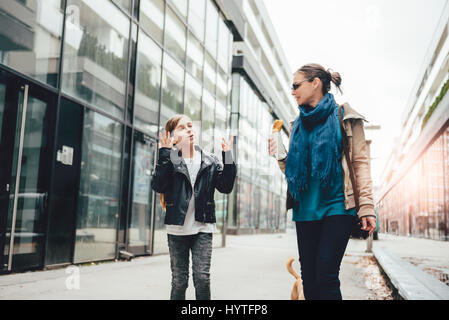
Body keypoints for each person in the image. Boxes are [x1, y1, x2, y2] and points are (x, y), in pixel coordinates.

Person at [268, 63, 376, 300]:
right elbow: (294, 173)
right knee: (310, 278)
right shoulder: (297, 125)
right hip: (305, 209)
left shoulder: (346, 117)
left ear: (315, 83)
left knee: (326, 275)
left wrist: (367, 206)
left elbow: (360, 163)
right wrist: (280, 155)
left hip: (338, 206)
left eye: (296, 85)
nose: (293, 91)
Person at [151, 114, 236, 300]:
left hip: (203, 228)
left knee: (202, 279)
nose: (189, 129)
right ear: (172, 136)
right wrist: (165, 153)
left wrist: (228, 156)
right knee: (180, 281)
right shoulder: (170, 159)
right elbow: (158, 185)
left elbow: (226, 186)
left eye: (190, 125)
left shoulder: (210, 160)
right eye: (182, 127)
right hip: (177, 229)